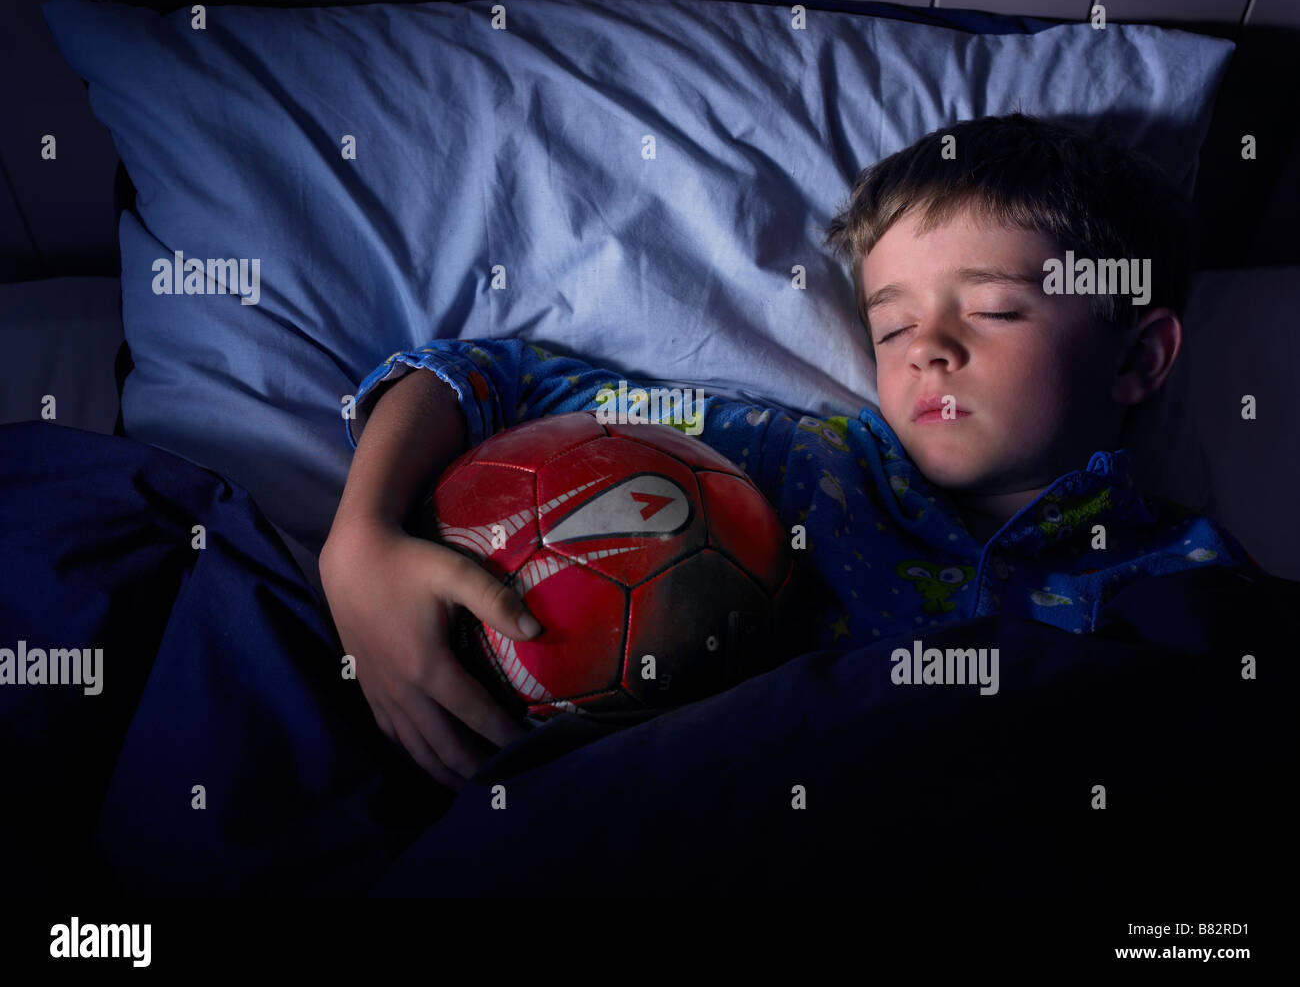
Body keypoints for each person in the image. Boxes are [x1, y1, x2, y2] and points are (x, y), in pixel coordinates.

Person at [319, 112, 1253, 791]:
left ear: (1138, 357)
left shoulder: (1195, 573)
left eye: (997, 309)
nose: (929, 346)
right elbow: (485, 377)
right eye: (890, 328)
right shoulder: (803, 471)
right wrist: (359, 537)